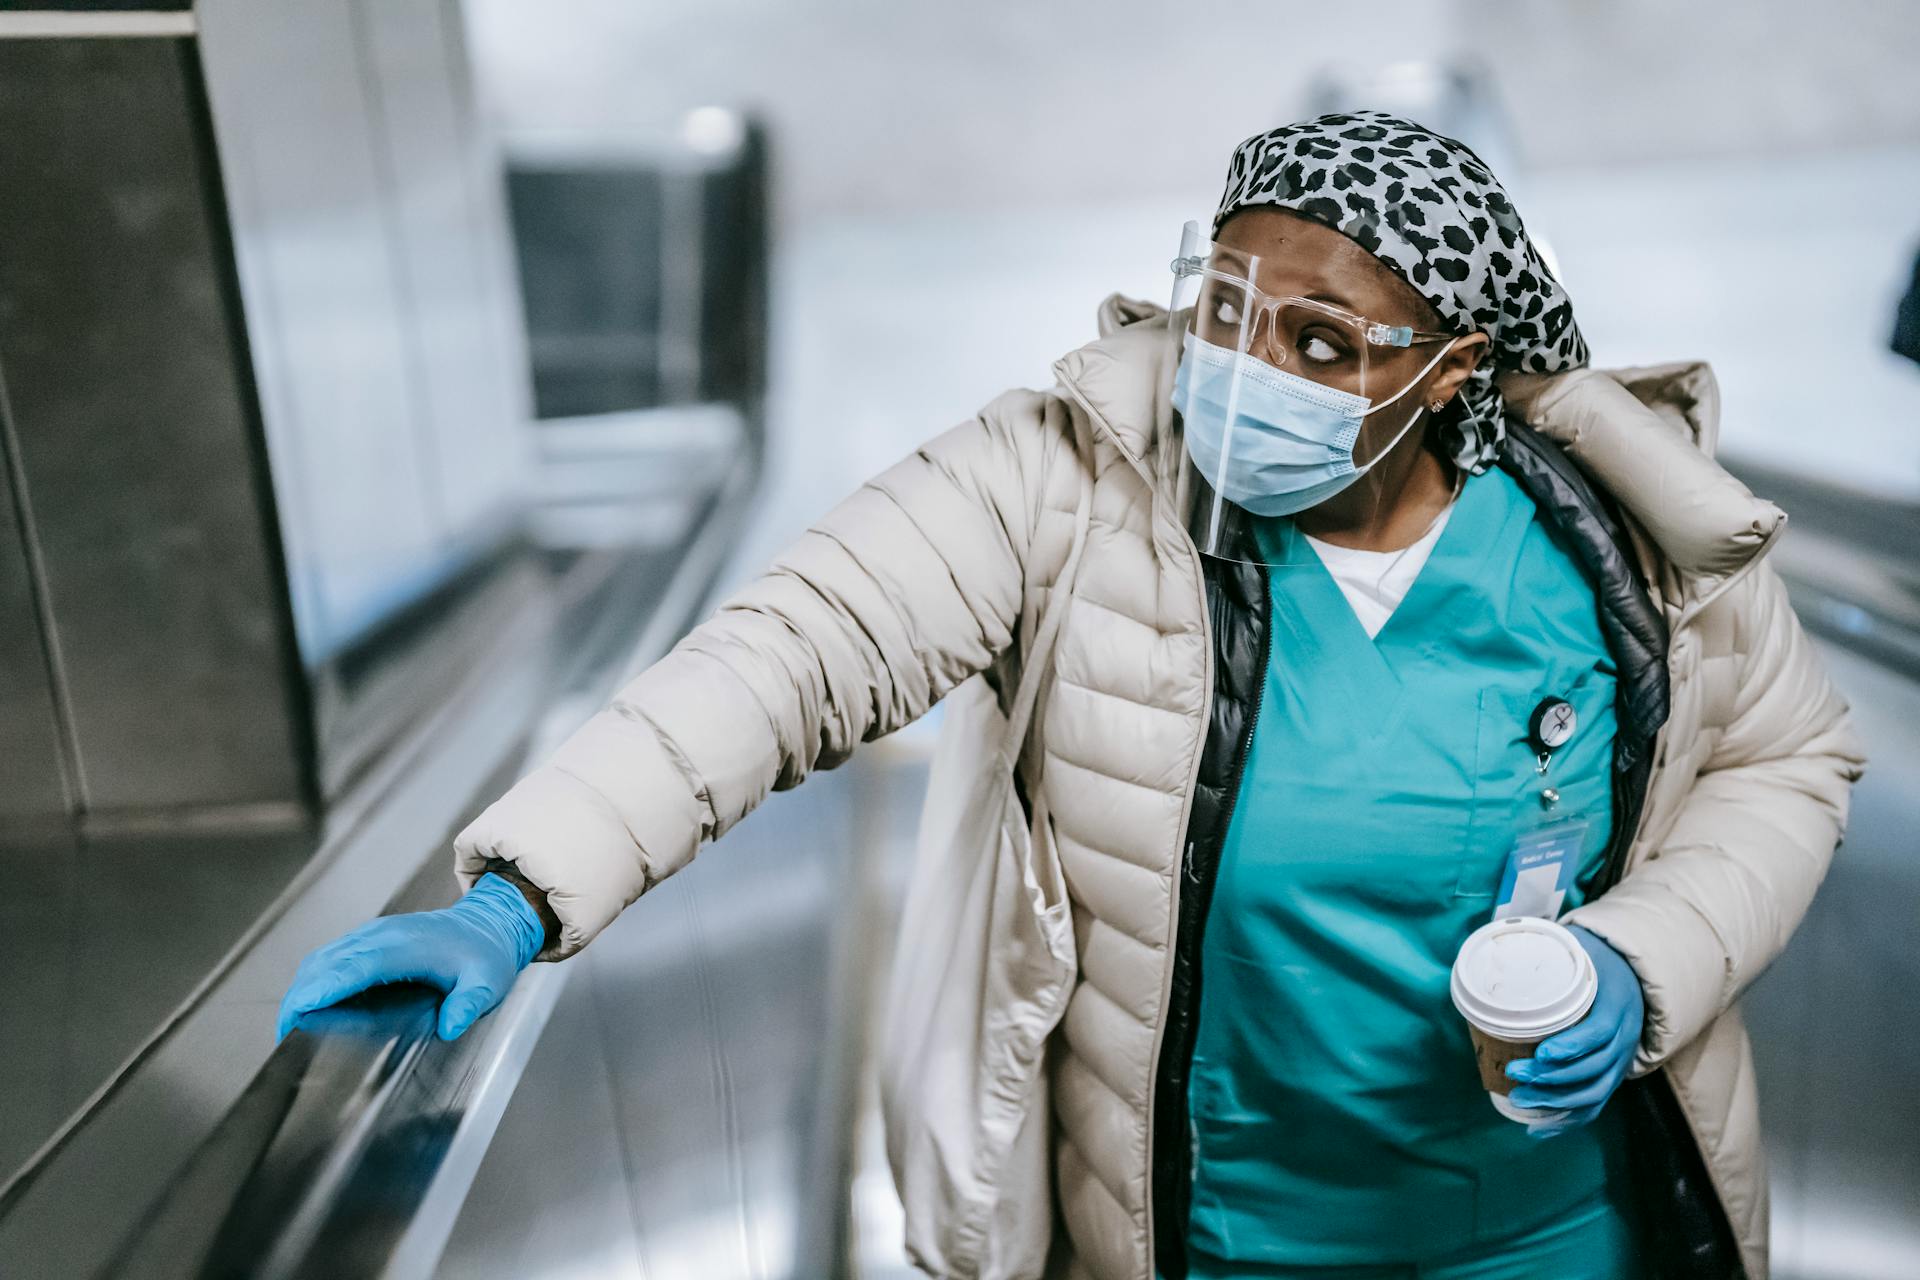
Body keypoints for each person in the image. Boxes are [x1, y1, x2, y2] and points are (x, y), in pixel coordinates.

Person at [280, 112, 1865, 1280]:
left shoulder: (1625, 544)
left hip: (1556, 1237)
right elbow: (793, 648)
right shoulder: (1074, 486)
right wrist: (517, 898)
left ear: (1450, 373)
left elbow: (1790, 760)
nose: (1248, 368)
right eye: (1225, 308)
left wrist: (1637, 963)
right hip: (1213, 1239)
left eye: (1322, 343)